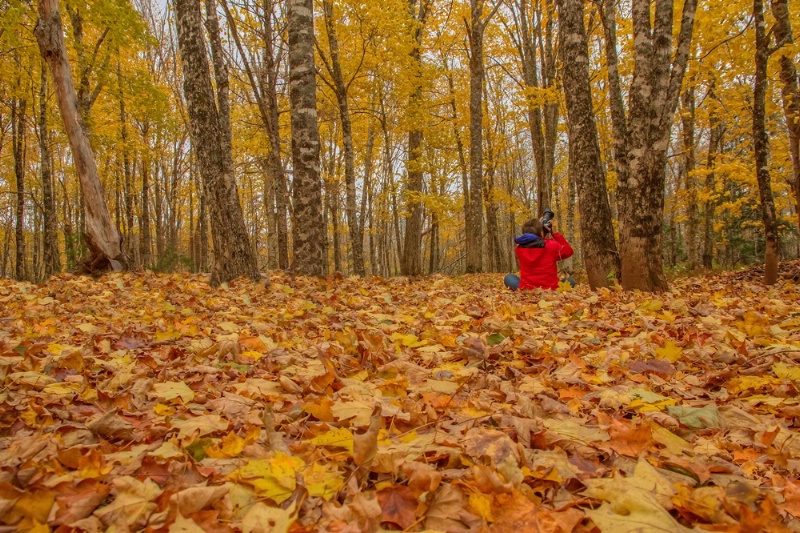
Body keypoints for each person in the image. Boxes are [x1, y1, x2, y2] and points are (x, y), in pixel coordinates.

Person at [504, 218, 574, 291]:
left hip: (528, 289)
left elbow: (535, 242)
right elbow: (569, 251)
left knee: (508, 277)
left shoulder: (518, 249)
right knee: (570, 281)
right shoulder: (551, 246)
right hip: (550, 289)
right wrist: (554, 233)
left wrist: (539, 229)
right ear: (541, 233)